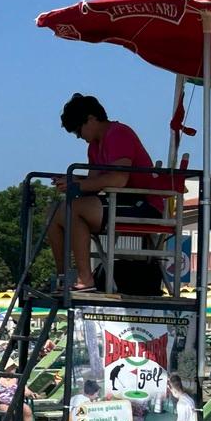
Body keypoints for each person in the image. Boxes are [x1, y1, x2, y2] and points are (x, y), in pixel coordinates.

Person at [48, 93, 164, 292]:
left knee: (72, 209)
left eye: (78, 130)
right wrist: (74, 181)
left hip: (143, 205)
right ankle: (63, 276)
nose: (79, 136)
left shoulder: (119, 134)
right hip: (119, 201)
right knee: (53, 212)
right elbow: (94, 182)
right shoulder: (94, 146)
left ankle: (85, 278)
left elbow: (119, 179)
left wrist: (78, 185)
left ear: (92, 119)